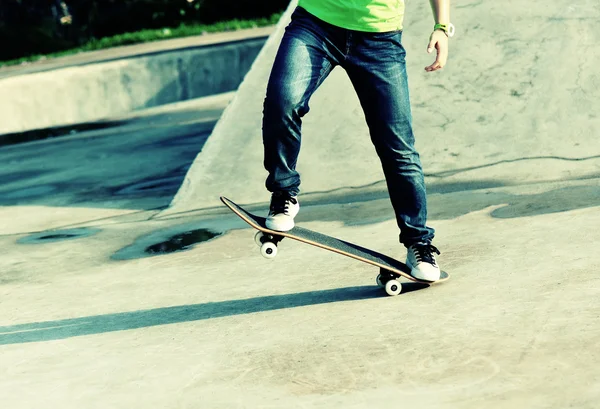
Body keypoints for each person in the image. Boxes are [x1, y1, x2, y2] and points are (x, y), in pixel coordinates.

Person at [261, 0, 454, 281]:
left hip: (379, 38)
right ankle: (284, 193)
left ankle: (418, 242)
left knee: (397, 146)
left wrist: (442, 26)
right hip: (315, 23)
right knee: (282, 103)